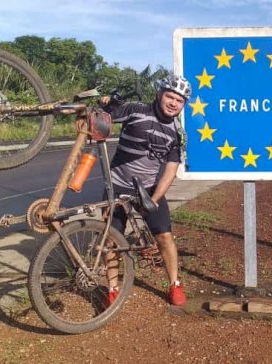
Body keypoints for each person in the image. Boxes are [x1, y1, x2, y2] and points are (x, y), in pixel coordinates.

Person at [100, 74, 192, 306]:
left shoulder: (178, 133)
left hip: (149, 188)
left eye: (179, 101)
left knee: (164, 236)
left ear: (183, 105)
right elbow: (103, 118)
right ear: (160, 94)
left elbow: (171, 169)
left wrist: (154, 199)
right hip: (117, 184)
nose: (173, 103)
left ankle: (174, 285)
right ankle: (112, 288)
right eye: (170, 96)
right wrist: (105, 104)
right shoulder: (135, 109)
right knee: (111, 239)